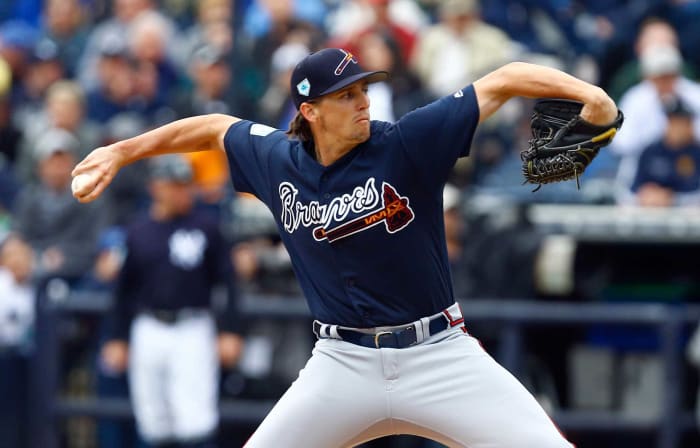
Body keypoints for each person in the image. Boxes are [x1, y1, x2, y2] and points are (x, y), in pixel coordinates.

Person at [72, 47, 619, 447]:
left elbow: (504, 78)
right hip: (341, 364)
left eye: (363, 89)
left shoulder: (406, 143)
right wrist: (122, 151)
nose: (363, 101)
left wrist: (589, 94)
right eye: (347, 94)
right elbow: (215, 127)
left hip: (439, 354)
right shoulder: (278, 160)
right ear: (309, 111)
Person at [99, 154, 243, 448]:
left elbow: (228, 282)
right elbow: (124, 290)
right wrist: (117, 337)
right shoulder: (138, 231)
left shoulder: (206, 227)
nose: (180, 191)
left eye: (184, 185)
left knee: (195, 420)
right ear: (155, 187)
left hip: (192, 325)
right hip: (149, 326)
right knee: (153, 419)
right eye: (173, 184)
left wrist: (230, 330)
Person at [630, 94, 700, 207]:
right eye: (674, 122)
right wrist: (647, 194)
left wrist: (671, 198)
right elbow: (633, 189)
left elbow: (696, 192)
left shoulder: (696, 153)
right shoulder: (651, 151)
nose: (679, 128)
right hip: (648, 212)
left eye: (684, 123)